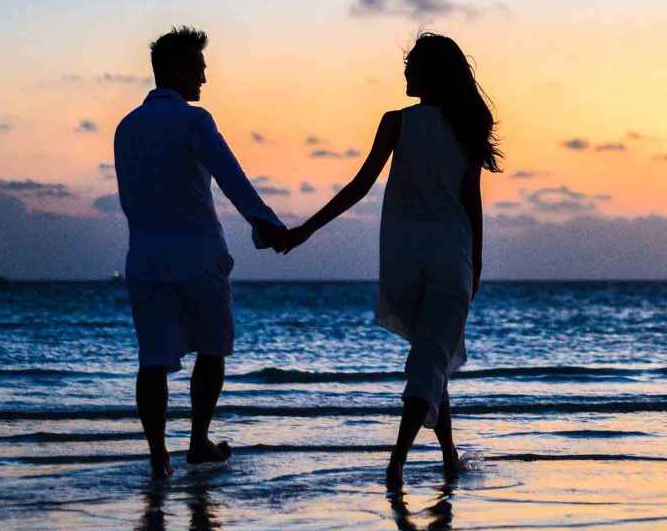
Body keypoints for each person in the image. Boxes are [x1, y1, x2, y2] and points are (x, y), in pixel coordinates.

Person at [281, 33, 502, 490]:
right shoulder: (465, 124)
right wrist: (476, 264)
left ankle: (448, 455)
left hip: (404, 261)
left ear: (428, 73)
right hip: (450, 259)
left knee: (430, 355)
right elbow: (471, 202)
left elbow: (358, 187)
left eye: (410, 65)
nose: (404, 72)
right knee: (429, 359)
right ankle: (397, 462)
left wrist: (305, 230)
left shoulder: (396, 122)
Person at [114, 26, 286, 480]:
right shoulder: (194, 120)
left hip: (146, 257)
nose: (204, 80)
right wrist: (266, 224)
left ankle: (157, 456)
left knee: (152, 361)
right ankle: (196, 442)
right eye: (198, 69)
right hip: (197, 255)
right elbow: (231, 177)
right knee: (212, 349)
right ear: (174, 69)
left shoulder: (126, 127)